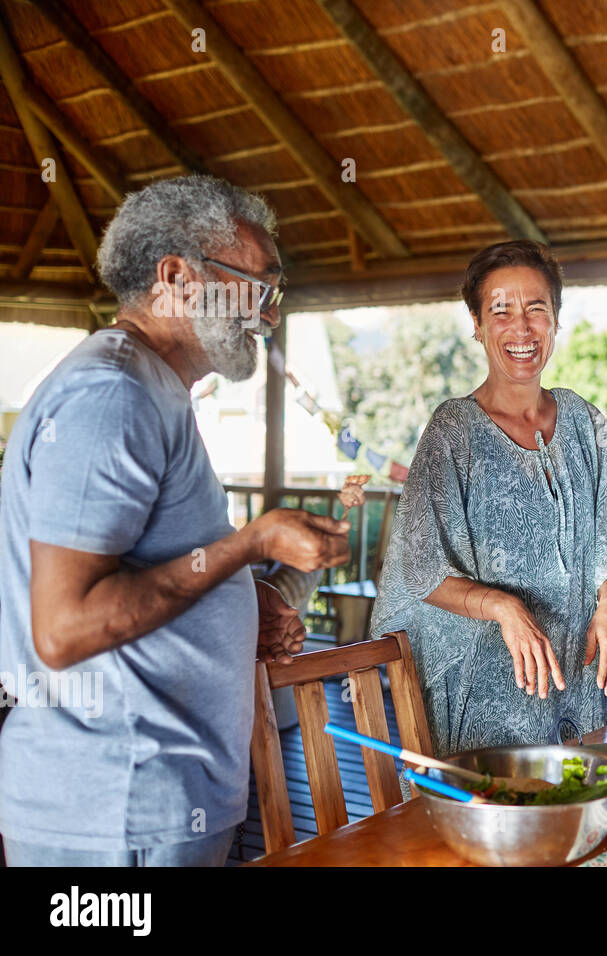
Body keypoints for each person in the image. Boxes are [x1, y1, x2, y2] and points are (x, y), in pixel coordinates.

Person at [0, 175, 351, 866]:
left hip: (154, 802)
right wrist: (247, 544)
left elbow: (142, 572)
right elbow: (65, 628)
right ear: (176, 277)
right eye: (259, 284)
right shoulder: (112, 395)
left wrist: (237, 600)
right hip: (116, 809)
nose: (269, 315)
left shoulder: (151, 390)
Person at [369, 240, 607, 755]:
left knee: (582, 814)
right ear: (477, 325)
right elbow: (420, 569)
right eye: (501, 310)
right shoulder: (452, 432)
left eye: (536, 309)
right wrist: (503, 607)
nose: (521, 328)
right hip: (488, 692)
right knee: (495, 824)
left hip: (581, 679)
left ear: (556, 322)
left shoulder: (584, 421)